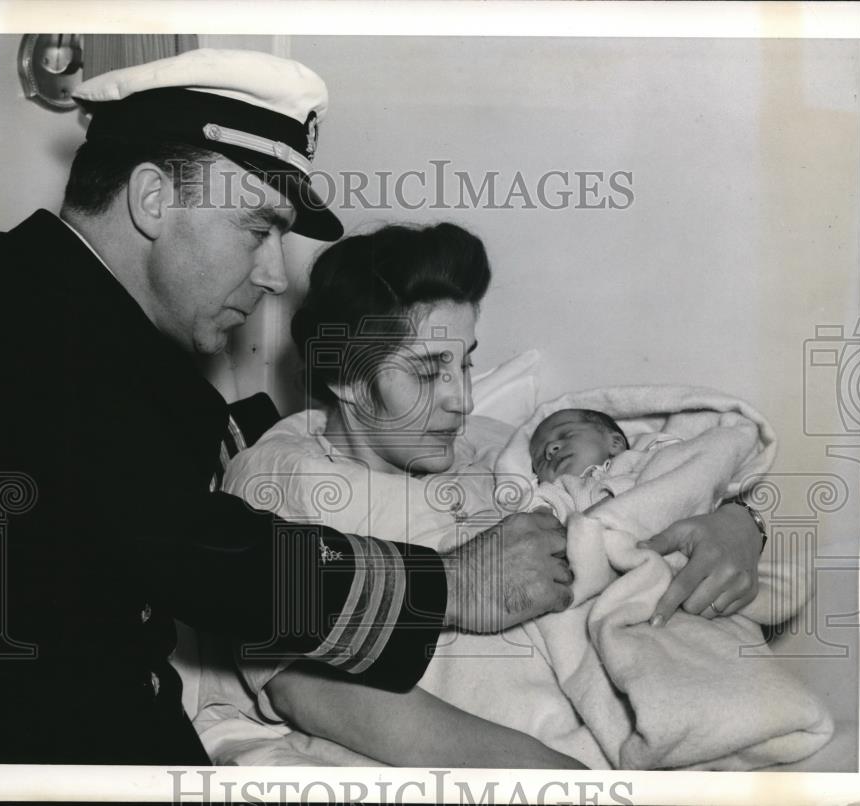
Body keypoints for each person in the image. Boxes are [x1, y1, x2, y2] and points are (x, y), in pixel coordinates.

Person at [0, 49, 575, 765]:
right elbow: (193, 550)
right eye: (257, 228)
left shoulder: (80, 328)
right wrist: (452, 584)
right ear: (152, 199)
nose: (273, 274)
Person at [212, 222, 769, 768]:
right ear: (345, 377)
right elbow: (311, 689)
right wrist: (551, 777)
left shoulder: (487, 443)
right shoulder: (279, 479)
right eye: (429, 372)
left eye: (466, 361)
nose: (463, 399)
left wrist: (739, 522)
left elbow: (636, 478)